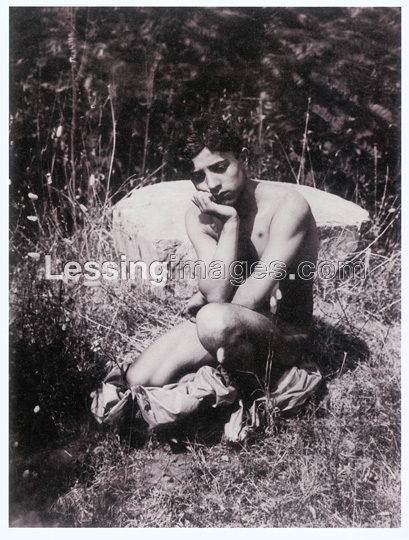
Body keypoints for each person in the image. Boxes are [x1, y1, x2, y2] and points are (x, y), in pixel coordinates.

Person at [125, 115, 318, 396]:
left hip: (286, 334)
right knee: (139, 378)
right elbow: (216, 293)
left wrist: (205, 302)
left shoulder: (287, 206)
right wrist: (229, 225)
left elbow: (249, 299)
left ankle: (257, 393)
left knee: (213, 321)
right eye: (198, 176)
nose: (212, 184)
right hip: (225, 319)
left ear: (243, 158)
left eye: (219, 167)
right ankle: (223, 371)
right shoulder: (201, 217)